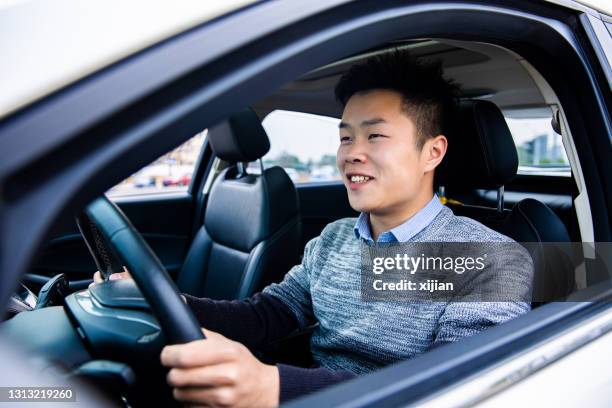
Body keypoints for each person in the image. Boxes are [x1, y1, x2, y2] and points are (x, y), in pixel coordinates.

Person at [93, 51, 533, 407]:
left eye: (375, 137)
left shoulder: (493, 260)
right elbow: (268, 316)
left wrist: (275, 388)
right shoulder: (335, 238)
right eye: (345, 138)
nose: (352, 154)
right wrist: (161, 298)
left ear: (432, 152)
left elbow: (451, 388)